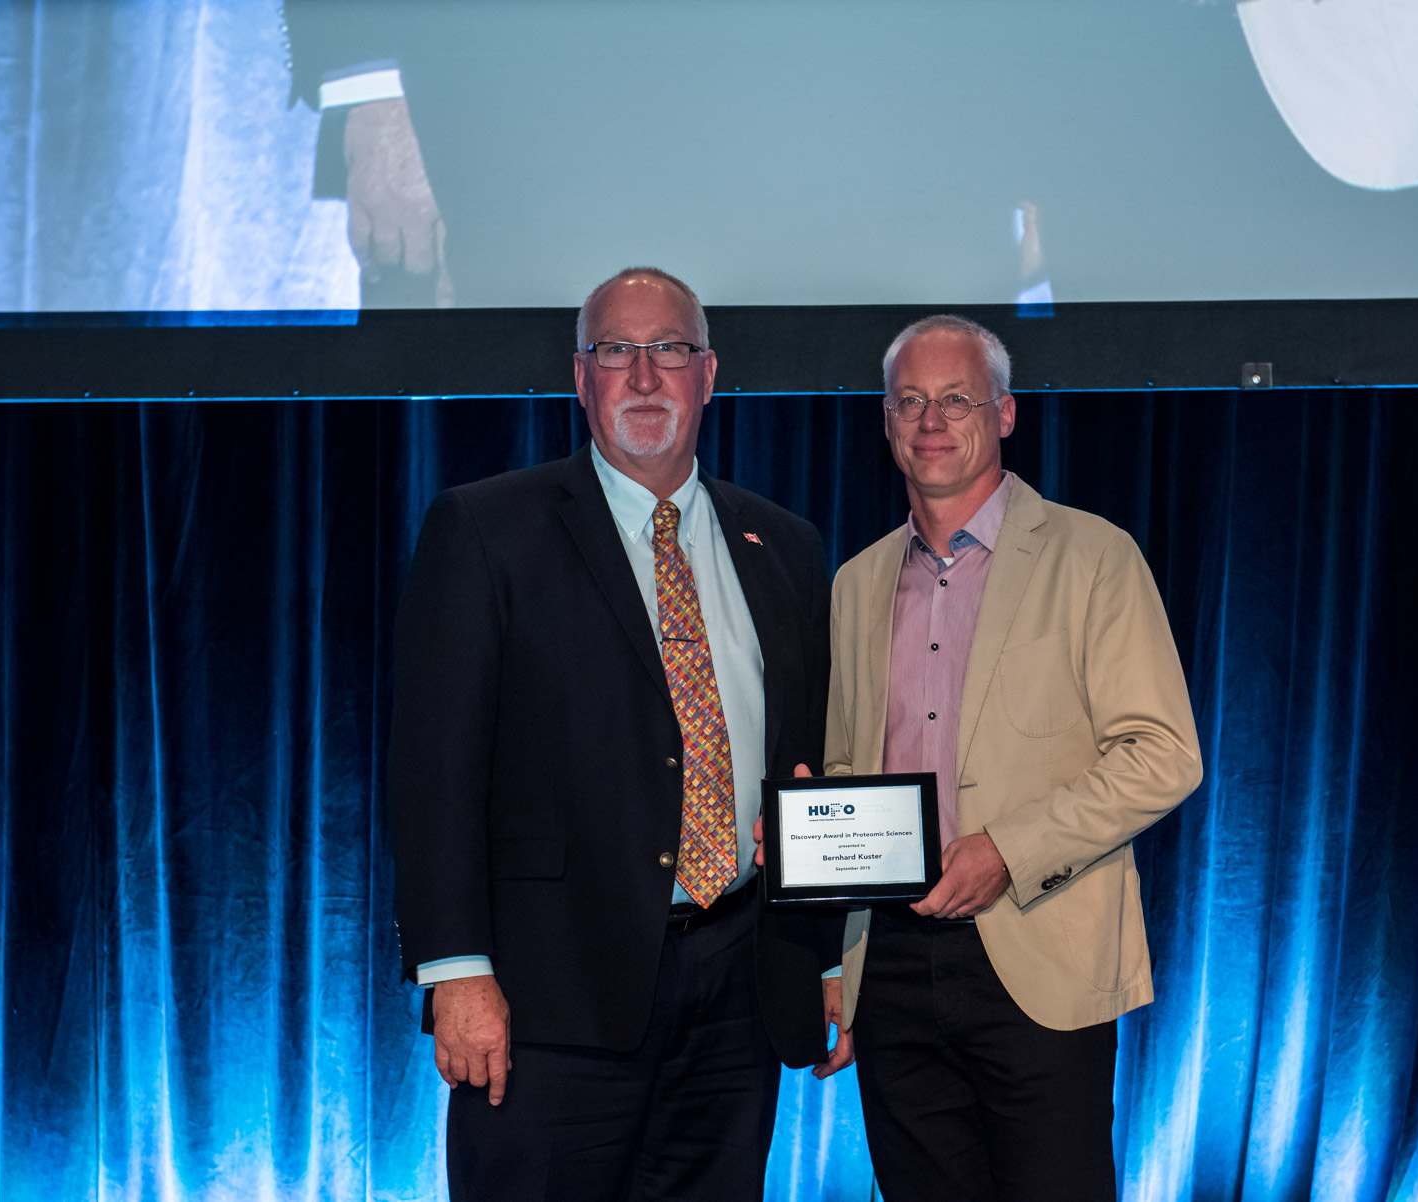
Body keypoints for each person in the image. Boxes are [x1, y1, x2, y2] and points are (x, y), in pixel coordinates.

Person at [387, 267, 843, 1201]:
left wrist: (826, 949)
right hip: (551, 999)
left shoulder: (783, 544)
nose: (643, 374)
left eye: (668, 349)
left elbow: (805, 764)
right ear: (580, 374)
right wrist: (457, 973)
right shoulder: (487, 529)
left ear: (708, 374)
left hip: (739, 988)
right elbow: (433, 771)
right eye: (615, 351)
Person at [822, 315, 1202, 1201]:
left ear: (1004, 415)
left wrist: (1007, 850)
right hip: (896, 971)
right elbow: (847, 773)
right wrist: (836, 943)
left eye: (957, 399)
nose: (931, 422)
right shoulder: (855, 582)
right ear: (884, 420)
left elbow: (1162, 753)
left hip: (1041, 955)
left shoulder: (1093, 556)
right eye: (909, 401)